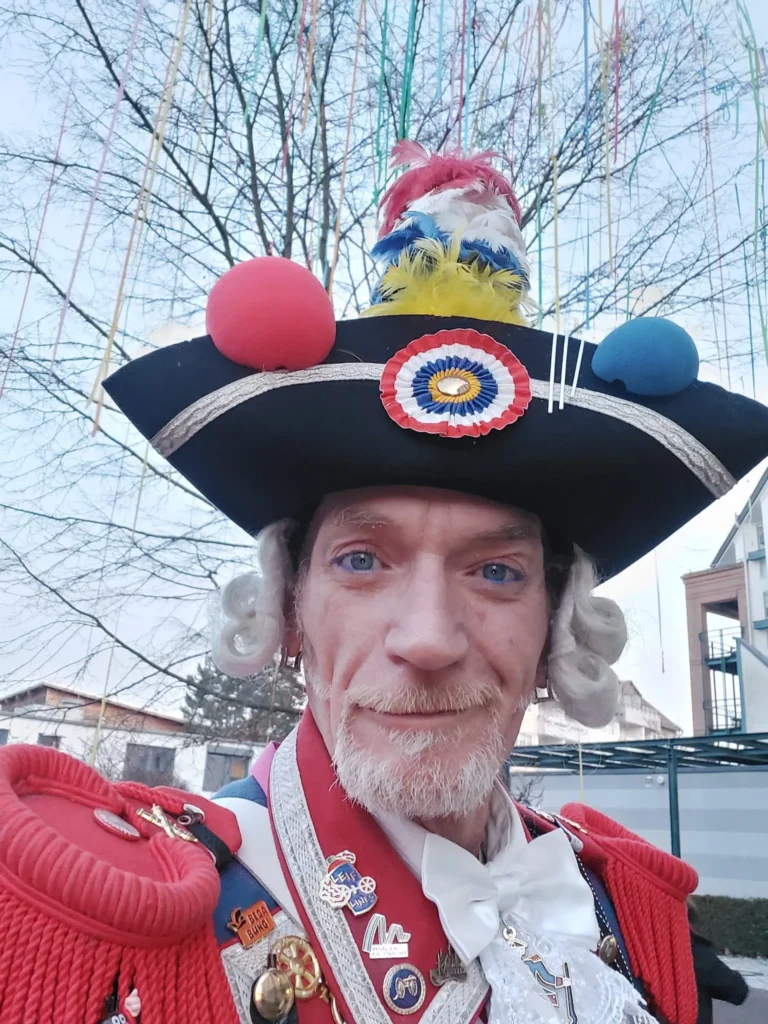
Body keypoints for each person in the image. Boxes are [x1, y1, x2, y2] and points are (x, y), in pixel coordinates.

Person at [1, 144, 767, 1024]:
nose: (429, 637)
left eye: (497, 572)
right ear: (289, 618)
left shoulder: (631, 918)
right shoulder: (111, 931)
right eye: (362, 561)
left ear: (555, 640)